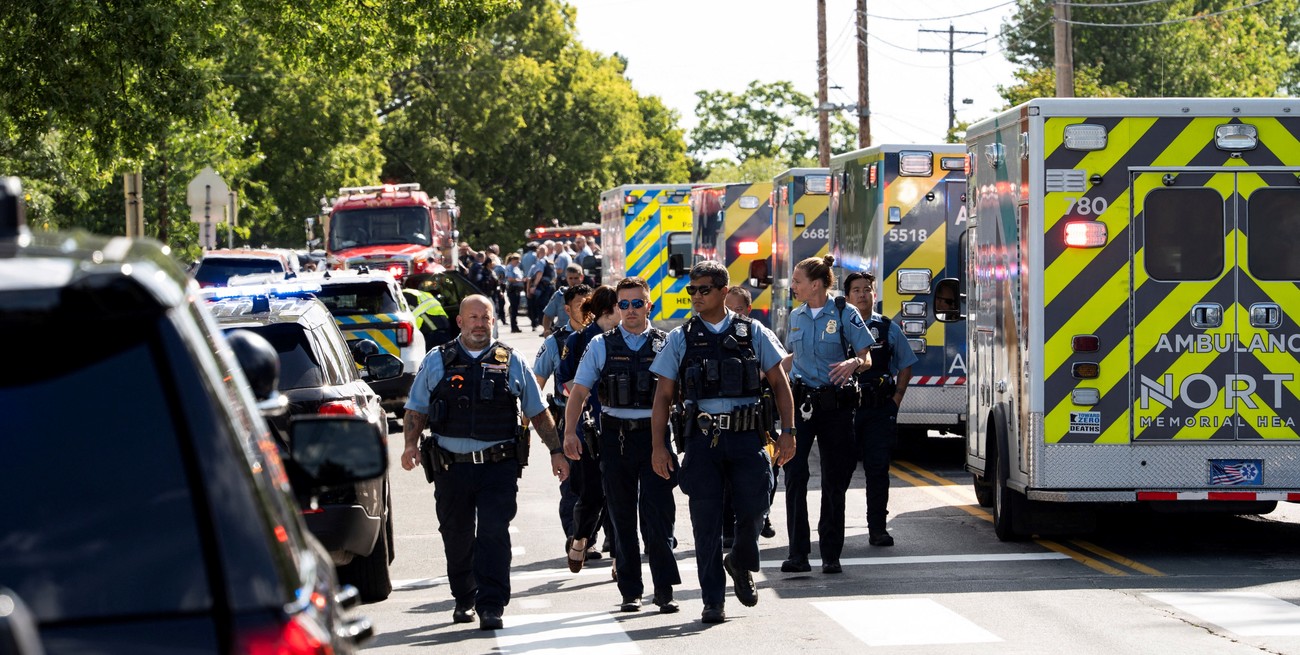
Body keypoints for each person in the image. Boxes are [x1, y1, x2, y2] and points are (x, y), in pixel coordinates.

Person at [400, 295, 569, 631]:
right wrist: (409, 444)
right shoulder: (438, 360)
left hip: (498, 465)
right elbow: (416, 408)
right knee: (457, 534)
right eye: (473, 317)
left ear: (494, 321)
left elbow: (537, 410)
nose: (479, 323)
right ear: (460, 321)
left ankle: (491, 604)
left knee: (494, 533)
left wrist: (556, 450)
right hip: (451, 467)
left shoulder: (511, 360)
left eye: (486, 318)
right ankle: (464, 596)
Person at [649, 260, 795, 625]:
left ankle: (741, 561)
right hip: (701, 441)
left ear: (723, 291)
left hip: (748, 438)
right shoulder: (680, 337)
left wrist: (788, 433)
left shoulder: (753, 331)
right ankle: (713, 599)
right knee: (706, 523)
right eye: (691, 291)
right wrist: (659, 446)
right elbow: (663, 397)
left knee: (754, 510)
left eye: (703, 290)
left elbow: (780, 385)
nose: (695, 297)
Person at [564, 277, 681, 614]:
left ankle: (664, 590)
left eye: (637, 303)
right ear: (616, 308)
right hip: (615, 438)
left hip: (656, 437)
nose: (630, 310)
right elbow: (580, 392)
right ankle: (631, 590)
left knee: (658, 517)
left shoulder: (667, 343)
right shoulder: (601, 345)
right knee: (622, 517)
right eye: (624, 304)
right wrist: (569, 432)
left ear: (649, 305)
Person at [779, 255, 874, 575]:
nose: (793, 285)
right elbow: (794, 357)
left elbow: (866, 356)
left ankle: (831, 553)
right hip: (802, 406)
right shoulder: (796, 316)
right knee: (794, 477)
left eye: (797, 280)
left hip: (836, 408)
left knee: (835, 480)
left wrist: (853, 364)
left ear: (815, 285)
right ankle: (798, 554)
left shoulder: (845, 313)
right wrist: (769, 373)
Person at [845, 271, 916, 547]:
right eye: (856, 290)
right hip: (846, 411)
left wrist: (896, 399)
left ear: (874, 294)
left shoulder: (887, 328)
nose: (862, 295)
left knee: (877, 471)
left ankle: (877, 528)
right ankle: (834, 531)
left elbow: (906, 363)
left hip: (878, 411)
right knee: (839, 471)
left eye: (867, 289)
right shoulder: (839, 325)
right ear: (847, 296)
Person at [555, 286, 619, 576]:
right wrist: (583, 392)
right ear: (610, 310)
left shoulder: (629, 339)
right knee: (591, 494)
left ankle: (621, 557)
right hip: (589, 430)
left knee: (622, 496)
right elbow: (563, 381)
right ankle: (580, 537)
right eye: (622, 306)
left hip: (622, 431)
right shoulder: (579, 339)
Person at [533, 284, 594, 553]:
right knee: (572, 484)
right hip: (568, 420)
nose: (586, 310)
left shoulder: (606, 336)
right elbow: (536, 383)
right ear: (567, 309)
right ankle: (575, 536)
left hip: (600, 420)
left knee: (601, 483)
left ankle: (593, 537)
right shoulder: (555, 342)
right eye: (580, 305)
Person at [721, 287, 777, 545]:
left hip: (755, 419)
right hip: (720, 424)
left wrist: (759, 374)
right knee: (723, 483)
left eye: (739, 309)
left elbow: (782, 366)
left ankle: (762, 516)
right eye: (729, 308)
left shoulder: (757, 332)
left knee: (766, 472)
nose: (733, 313)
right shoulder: (705, 335)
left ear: (749, 309)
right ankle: (729, 530)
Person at [541, 264, 586, 337]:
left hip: (582, 334)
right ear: (566, 278)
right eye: (570, 278)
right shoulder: (560, 295)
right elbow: (548, 315)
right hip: (562, 334)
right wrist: (547, 330)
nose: (573, 281)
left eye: (576, 278)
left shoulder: (588, 296)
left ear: (582, 277)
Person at [504, 253, 527, 333]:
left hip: (517, 290)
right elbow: (510, 279)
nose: (518, 262)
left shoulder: (516, 268)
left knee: (515, 308)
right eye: (517, 261)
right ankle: (514, 327)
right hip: (513, 290)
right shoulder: (510, 267)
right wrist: (521, 280)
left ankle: (515, 326)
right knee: (513, 309)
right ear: (512, 260)